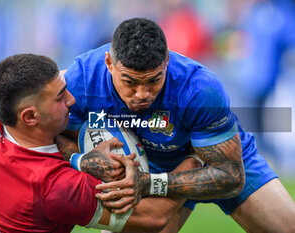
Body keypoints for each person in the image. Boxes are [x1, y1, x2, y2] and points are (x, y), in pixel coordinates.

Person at [63, 18, 295, 232]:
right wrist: (82, 158)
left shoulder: (199, 88)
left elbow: (230, 175)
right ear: (109, 64)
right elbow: (58, 136)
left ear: (167, 62)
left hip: (211, 159)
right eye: (130, 82)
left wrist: (150, 184)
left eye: (154, 80)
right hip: (146, 165)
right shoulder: (83, 78)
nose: (142, 94)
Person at [0, 53, 200, 232]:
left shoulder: (2, 116)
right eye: (60, 97)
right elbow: (155, 218)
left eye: (65, 90)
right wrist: (195, 156)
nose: (72, 99)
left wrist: (80, 159)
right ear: (31, 117)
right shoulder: (54, 187)